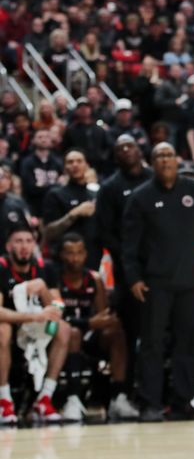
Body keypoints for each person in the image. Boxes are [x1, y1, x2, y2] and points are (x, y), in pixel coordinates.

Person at [122, 142, 194, 422]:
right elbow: (129, 245)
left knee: (187, 342)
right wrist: (134, 278)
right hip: (156, 284)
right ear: (151, 163)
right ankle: (150, 403)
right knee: (152, 344)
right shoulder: (140, 198)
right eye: (159, 156)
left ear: (177, 161)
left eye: (169, 155)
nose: (165, 160)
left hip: (190, 282)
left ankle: (183, 401)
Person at [57, 233, 139, 422]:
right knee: (73, 332)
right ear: (61, 255)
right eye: (70, 253)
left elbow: (102, 316)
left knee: (116, 332)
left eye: (79, 252)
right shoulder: (57, 277)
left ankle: (119, 397)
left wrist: (104, 322)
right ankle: (73, 398)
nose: (75, 258)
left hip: (89, 334)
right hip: (62, 335)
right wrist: (88, 323)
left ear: (86, 254)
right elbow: (57, 316)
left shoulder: (94, 279)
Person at [95, 134, 153, 388]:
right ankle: (128, 389)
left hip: (161, 266)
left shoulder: (155, 179)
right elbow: (104, 232)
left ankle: (159, 389)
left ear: (140, 151)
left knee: (160, 331)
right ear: (115, 155)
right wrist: (130, 255)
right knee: (131, 330)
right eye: (120, 148)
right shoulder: (109, 188)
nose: (126, 151)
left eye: (130, 146)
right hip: (127, 270)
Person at [0, 224, 70, 423]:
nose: (24, 246)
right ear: (8, 246)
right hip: (12, 324)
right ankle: (4, 401)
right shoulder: (1, 268)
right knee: (2, 331)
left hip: (36, 327)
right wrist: (32, 317)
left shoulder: (45, 268)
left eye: (29, 241)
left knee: (64, 329)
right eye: (18, 241)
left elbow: (58, 308)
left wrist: (42, 289)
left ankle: (44, 398)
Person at [42, 149, 101, 269]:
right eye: (70, 162)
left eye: (79, 161)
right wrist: (73, 214)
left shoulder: (98, 192)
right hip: (64, 260)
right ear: (64, 168)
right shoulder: (55, 194)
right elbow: (48, 232)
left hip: (94, 256)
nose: (75, 165)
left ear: (87, 165)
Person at [19, 129, 63, 217]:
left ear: (51, 140)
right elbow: (30, 188)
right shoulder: (27, 162)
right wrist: (55, 185)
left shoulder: (58, 162)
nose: (43, 139)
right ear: (33, 140)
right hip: (34, 207)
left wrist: (41, 186)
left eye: (47, 137)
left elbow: (63, 186)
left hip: (55, 207)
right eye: (40, 137)